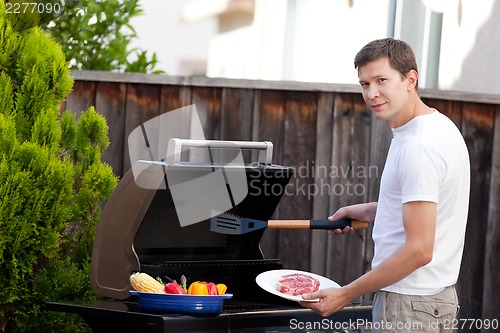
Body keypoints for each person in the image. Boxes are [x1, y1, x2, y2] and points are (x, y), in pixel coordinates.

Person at [299, 38, 470, 333]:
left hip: (409, 305)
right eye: (365, 84)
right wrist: (374, 210)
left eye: (381, 80)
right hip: (435, 300)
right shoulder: (439, 126)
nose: (372, 93)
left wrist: (345, 294)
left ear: (410, 79)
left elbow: (419, 250)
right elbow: (431, 211)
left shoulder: (418, 146)